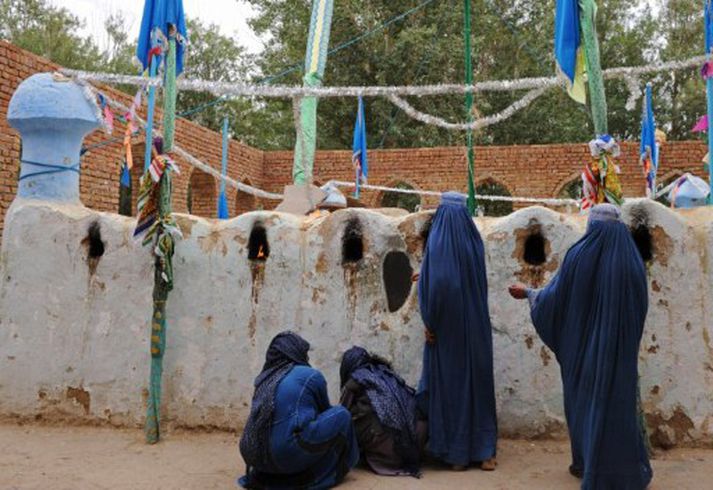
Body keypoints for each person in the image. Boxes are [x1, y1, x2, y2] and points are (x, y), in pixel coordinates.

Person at [509, 203, 653, 489]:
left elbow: (555, 298)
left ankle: (590, 466)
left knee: (587, 405)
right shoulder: (632, 260)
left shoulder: (579, 255)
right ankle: (623, 472)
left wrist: (528, 293)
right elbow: (641, 307)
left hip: (584, 356)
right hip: (621, 355)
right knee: (618, 406)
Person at [416, 191, 498, 471]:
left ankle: (456, 455)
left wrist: (430, 321)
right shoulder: (474, 241)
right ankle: (485, 452)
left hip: (446, 332)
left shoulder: (438, 242)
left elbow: (440, 283)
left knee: (452, 389)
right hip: (476, 327)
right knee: (478, 386)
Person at [238, 331, 359, 489]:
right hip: (284, 456)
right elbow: (324, 412)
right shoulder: (310, 375)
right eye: (305, 353)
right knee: (342, 415)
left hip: (253, 457)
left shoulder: (264, 379)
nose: (307, 358)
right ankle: (329, 472)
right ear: (295, 352)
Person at [339, 346, 426, 477]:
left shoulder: (355, 380)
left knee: (343, 419)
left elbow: (341, 413)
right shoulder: (386, 372)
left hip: (389, 449)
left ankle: (369, 455)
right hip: (415, 443)